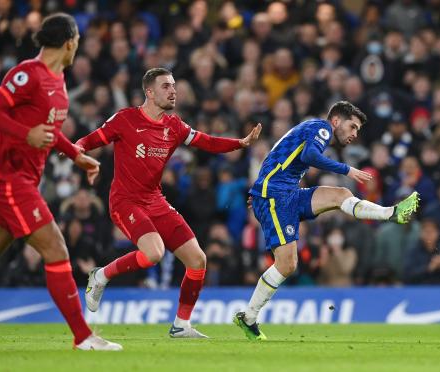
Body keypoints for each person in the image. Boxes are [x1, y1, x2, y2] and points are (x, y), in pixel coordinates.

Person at [0, 13, 121, 351]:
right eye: (77, 42)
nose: (77, 48)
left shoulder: (59, 79)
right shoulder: (28, 74)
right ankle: (83, 337)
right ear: (69, 42)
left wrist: (75, 154)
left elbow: (47, 131)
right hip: (11, 180)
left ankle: (84, 336)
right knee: (56, 249)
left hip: (24, 179)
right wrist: (26, 133)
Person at [76, 67, 262, 339]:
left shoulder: (173, 126)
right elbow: (88, 141)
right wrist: (76, 152)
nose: (173, 91)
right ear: (149, 92)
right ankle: (101, 276)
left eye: (173, 86)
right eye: (166, 86)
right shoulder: (125, 119)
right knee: (153, 253)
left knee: (198, 260)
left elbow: (206, 142)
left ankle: (181, 325)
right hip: (126, 201)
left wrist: (241, 143)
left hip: (155, 200)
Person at [234, 101, 419, 340]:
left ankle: (392, 214)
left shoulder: (311, 129)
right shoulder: (321, 127)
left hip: (284, 193)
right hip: (276, 195)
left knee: (340, 195)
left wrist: (260, 189)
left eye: (357, 131)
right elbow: (309, 155)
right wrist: (346, 169)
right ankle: (248, 318)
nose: (354, 134)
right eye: (352, 127)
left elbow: (278, 156)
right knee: (287, 264)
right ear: (336, 121)